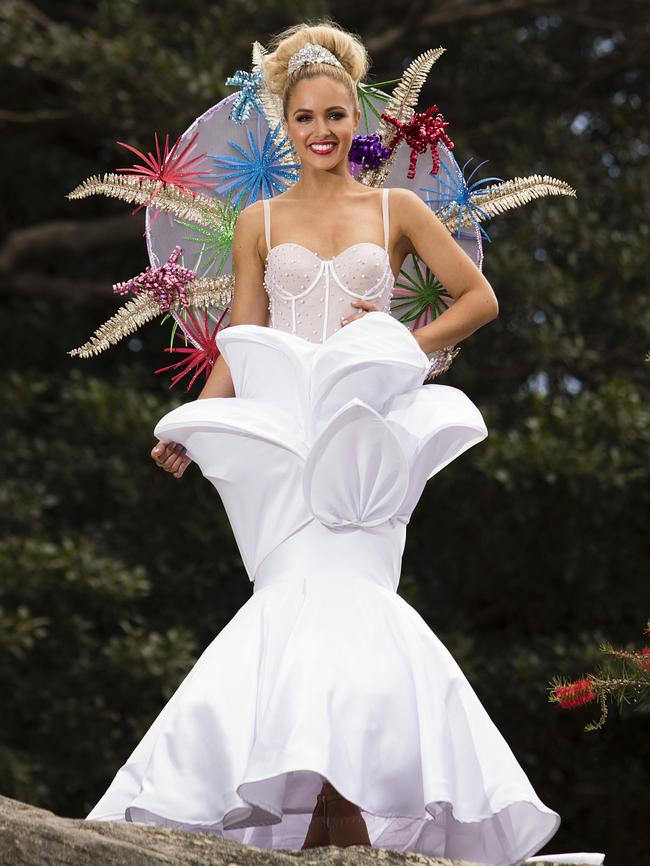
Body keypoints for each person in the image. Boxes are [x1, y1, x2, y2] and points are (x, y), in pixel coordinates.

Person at [85, 21, 601, 866]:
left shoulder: (396, 208)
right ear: (283, 128)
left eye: (335, 115)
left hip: (365, 445)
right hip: (288, 443)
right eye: (305, 119)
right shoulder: (257, 219)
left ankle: (340, 818)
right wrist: (192, 428)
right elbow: (240, 340)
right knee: (295, 607)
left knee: (352, 611)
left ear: (355, 119)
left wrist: (402, 340)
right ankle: (330, 822)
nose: (322, 131)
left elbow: (480, 300)